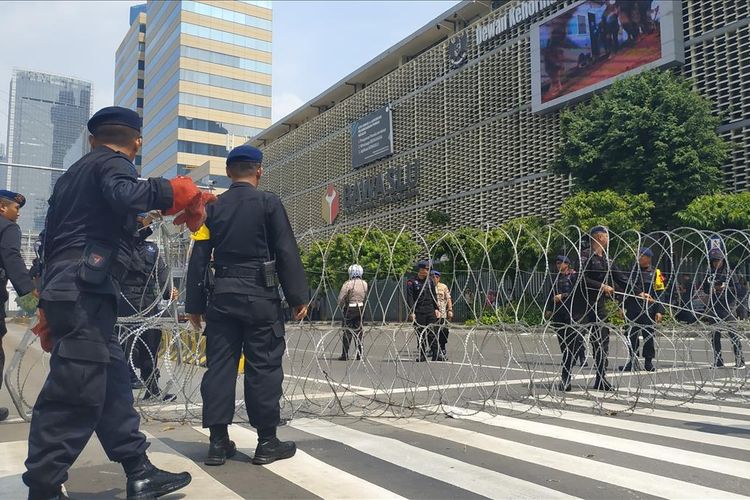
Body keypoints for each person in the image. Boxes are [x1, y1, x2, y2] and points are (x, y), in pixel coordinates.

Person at [23, 106, 205, 500]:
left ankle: (139, 470)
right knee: (75, 390)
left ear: (91, 138)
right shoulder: (111, 164)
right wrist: (177, 191)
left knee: (111, 385)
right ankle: (43, 485)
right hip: (83, 292)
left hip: (73, 288)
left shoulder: (73, 178)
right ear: (136, 142)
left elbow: (54, 240)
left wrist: (45, 299)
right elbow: (125, 193)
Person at [185, 145, 308, 468]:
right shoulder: (269, 203)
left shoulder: (211, 208)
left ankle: (217, 442)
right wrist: (298, 296)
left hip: (222, 297)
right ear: (259, 170)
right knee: (264, 366)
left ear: (228, 173)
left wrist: (194, 304)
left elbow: (199, 256)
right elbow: (285, 250)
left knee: (220, 367)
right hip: (260, 295)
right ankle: (267, 442)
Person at [118, 213, 176, 401]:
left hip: (125, 300)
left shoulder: (120, 248)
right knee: (149, 347)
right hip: (147, 301)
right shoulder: (152, 250)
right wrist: (169, 292)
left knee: (125, 346)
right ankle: (152, 390)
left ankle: (121, 391)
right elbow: (163, 277)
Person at [574, 226, 627, 391]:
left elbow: (621, 278)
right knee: (573, 341)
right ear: (600, 237)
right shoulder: (584, 255)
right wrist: (601, 286)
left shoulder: (606, 260)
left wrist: (640, 292)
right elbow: (580, 278)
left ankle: (601, 378)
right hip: (580, 304)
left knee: (602, 341)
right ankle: (565, 377)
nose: (609, 239)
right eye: (607, 236)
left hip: (597, 305)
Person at [0, 190, 36, 422]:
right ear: (2, 207)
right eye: (16, 208)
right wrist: (30, 296)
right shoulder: (7, 227)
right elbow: (11, 257)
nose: (19, 214)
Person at [620, 247, 665, 372]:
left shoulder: (656, 273)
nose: (638, 258)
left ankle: (648, 362)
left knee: (648, 336)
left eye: (641, 256)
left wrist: (659, 310)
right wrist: (622, 306)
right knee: (631, 335)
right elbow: (625, 291)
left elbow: (661, 293)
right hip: (633, 308)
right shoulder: (632, 272)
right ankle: (632, 360)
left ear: (648, 258)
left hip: (648, 310)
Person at [545, 255, 582, 391]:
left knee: (572, 345)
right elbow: (550, 294)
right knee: (564, 346)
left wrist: (563, 296)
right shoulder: (555, 278)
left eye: (561, 262)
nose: (558, 264)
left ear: (567, 264)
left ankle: (566, 376)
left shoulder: (573, 277)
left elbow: (578, 293)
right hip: (559, 315)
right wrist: (549, 309)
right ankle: (566, 375)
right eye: (557, 262)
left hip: (572, 314)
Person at [702, 249, 744, 368]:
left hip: (728, 307)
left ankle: (740, 360)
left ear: (723, 261)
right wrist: (713, 288)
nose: (716, 263)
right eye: (714, 261)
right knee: (715, 336)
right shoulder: (710, 274)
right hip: (714, 307)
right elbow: (705, 289)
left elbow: (738, 289)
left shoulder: (730, 273)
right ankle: (718, 361)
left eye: (718, 261)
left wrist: (724, 288)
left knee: (733, 334)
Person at [406, 260, 439, 362]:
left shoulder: (429, 281)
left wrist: (437, 309)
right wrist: (411, 312)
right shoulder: (411, 282)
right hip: (419, 310)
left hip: (430, 309)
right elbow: (410, 298)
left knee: (432, 332)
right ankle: (422, 354)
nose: (428, 272)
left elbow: (434, 295)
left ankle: (435, 353)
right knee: (420, 333)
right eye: (427, 269)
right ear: (421, 269)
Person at [337, 264, 367, 361]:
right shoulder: (364, 284)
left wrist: (340, 306)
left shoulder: (348, 284)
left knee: (347, 331)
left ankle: (345, 354)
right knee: (359, 331)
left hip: (350, 308)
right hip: (361, 308)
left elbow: (341, 298)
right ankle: (360, 354)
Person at [431, 270, 453, 361]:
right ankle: (435, 350)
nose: (433, 279)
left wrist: (450, 310)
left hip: (442, 313)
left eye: (435, 277)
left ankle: (442, 348)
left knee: (443, 332)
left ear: (438, 278)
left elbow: (448, 299)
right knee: (432, 333)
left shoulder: (443, 287)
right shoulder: (428, 286)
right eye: (432, 277)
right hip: (432, 314)